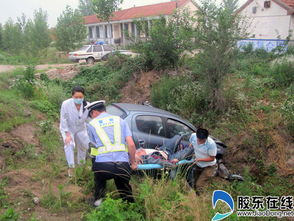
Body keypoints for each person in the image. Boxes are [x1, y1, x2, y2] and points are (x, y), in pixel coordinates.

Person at [86, 100, 137, 207]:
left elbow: (93, 145)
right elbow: (131, 145)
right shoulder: (120, 120)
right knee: (124, 187)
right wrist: (133, 163)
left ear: (94, 112)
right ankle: (131, 208)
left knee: (99, 180)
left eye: (91, 114)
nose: (92, 117)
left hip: (103, 166)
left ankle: (98, 202)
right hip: (122, 165)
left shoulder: (91, 124)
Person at [60, 86, 90, 177]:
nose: (78, 99)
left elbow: (89, 119)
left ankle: (81, 165)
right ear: (72, 96)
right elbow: (63, 119)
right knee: (69, 144)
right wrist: (67, 135)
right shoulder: (66, 104)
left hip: (81, 128)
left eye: (80, 97)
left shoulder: (87, 105)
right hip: (68, 128)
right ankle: (71, 167)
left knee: (84, 145)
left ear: (83, 96)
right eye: (76, 97)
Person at [187, 128, 217, 195]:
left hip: (209, 166)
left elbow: (212, 158)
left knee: (199, 184)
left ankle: (202, 198)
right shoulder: (193, 136)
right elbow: (191, 144)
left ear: (206, 138)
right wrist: (190, 149)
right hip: (198, 164)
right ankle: (195, 194)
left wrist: (199, 159)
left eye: (202, 140)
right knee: (194, 181)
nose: (199, 142)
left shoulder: (211, 144)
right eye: (198, 139)